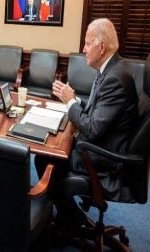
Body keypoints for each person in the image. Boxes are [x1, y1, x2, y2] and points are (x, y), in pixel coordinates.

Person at [37, 18, 139, 228]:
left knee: (45, 157)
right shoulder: (112, 70)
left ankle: (70, 217)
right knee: (46, 153)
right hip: (103, 145)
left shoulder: (115, 79)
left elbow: (92, 129)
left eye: (87, 43)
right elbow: (99, 111)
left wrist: (70, 102)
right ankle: (69, 214)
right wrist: (75, 100)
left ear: (101, 47)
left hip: (103, 160)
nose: (83, 49)